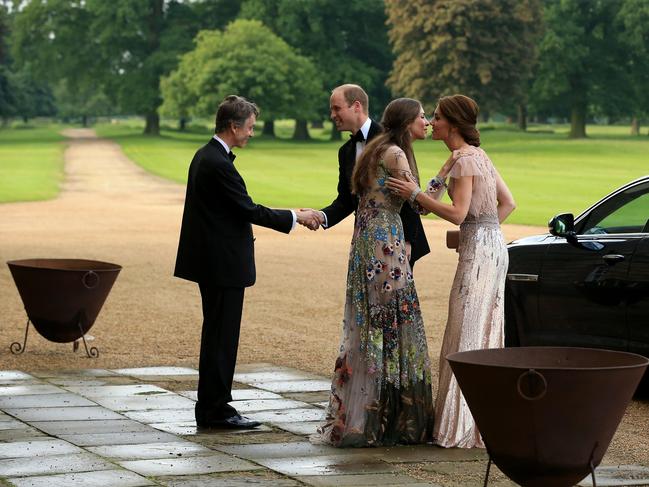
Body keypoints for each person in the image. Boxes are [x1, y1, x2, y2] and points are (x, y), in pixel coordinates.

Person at [174, 95, 317, 429]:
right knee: (222, 338)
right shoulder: (217, 163)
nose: (252, 133)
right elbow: (248, 209)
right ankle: (216, 410)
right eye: (249, 127)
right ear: (234, 126)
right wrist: (297, 216)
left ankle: (212, 406)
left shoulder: (206, 156)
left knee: (217, 336)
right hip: (221, 265)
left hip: (214, 263)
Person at [387, 94, 516, 448]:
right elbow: (508, 203)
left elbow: (456, 212)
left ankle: (460, 429)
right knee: (482, 329)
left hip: (478, 256)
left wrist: (415, 193)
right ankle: (480, 423)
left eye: (438, 117)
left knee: (466, 332)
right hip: (492, 247)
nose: (431, 123)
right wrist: (441, 177)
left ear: (454, 125)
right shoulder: (474, 157)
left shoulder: (465, 162)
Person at [314, 98, 435, 447]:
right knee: (392, 323)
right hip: (386, 246)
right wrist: (443, 177)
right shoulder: (395, 153)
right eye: (422, 117)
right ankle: (391, 418)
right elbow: (420, 205)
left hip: (365, 242)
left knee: (369, 323)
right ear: (408, 121)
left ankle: (363, 414)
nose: (426, 122)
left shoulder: (375, 148)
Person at [301, 84, 430, 267]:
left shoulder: (390, 139)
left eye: (337, 108)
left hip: (398, 239)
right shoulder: (345, 151)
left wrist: (408, 240)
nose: (332, 115)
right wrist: (321, 216)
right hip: (365, 238)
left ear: (356, 106)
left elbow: (408, 191)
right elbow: (346, 200)